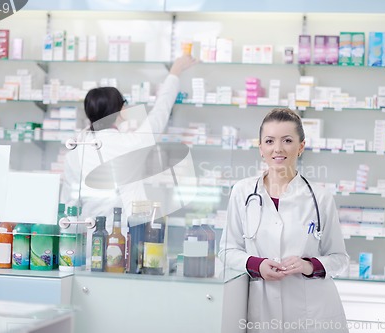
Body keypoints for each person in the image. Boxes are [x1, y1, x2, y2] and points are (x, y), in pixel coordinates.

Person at [219, 108, 349, 333]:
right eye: (269, 141)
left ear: (301, 147)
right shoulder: (242, 192)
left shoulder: (320, 197)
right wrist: (257, 265)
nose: (277, 149)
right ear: (261, 148)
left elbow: (340, 258)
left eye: (287, 140)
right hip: (262, 311)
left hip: (313, 314)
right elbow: (227, 250)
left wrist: (309, 266)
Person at [60, 55, 198, 220]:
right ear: (119, 109)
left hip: (87, 232)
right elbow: (160, 111)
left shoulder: (74, 153)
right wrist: (174, 73)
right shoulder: (130, 143)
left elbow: (69, 203)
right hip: (126, 232)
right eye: (123, 102)